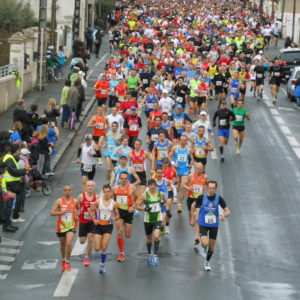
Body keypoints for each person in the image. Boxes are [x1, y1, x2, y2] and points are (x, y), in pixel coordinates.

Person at [191, 181, 230, 271]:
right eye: (210, 187)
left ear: (215, 189)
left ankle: (207, 262)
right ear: (207, 188)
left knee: (212, 247)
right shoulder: (201, 197)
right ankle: (204, 247)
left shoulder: (219, 198)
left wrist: (224, 215)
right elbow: (193, 205)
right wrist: (193, 217)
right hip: (203, 223)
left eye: (213, 188)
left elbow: (228, 211)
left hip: (214, 225)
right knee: (205, 243)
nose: (211, 189)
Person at [89, 184, 119, 273]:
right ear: (103, 192)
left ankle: (102, 265)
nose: (106, 193)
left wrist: (115, 218)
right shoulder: (98, 202)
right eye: (105, 192)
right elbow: (90, 210)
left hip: (108, 227)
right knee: (97, 248)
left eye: (108, 192)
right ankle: (101, 253)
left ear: (111, 192)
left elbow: (117, 214)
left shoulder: (114, 203)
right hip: (98, 226)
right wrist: (94, 219)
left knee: (104, 248)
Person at [136, 178, 167, 266]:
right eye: (151, 185)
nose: (153, 186)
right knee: (149, 240)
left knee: (156, 236)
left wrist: (164, 206)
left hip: (157, 218)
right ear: (148, 186)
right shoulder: (144, 195)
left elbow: (166, 201)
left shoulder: (161, 194)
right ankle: (149, 253)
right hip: (148, 220)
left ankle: (155, 255)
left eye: (154, 185)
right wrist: (144, 209)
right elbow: (137, 206)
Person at [1, 144, 32, 230]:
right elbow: (14, 172)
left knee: (9, 206)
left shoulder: (11, 157)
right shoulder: (9, 158)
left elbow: (16, 160)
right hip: (8, 185)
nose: (20, 152)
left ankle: (8, 224)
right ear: (17, 151)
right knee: (8, 206)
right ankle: (6, 226)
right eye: (19, 150)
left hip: (11, 184)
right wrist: (25, 169)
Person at [51, 184, 80, 271]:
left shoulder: (75, 201)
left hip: (71, 226)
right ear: (63, 191)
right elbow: (52, 212)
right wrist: (60, 213)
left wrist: (77, 215)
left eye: (69, 190)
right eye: (66, 190)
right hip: (61, 227)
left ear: (71, 191)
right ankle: (63, 260)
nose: (67, 192)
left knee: (68, 243)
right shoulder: (59, 201)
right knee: (63, 244)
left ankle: (67, 261)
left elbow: (78, 209)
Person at [112, 171, 137, 262]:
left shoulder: (132, 188)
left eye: (125, 178)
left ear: (128, 179)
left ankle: (127, 230)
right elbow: (109, 199)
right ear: (119, 179)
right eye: (122, 178)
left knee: (127, 235)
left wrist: (133, 207)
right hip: (119, 212)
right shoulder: (115, 189)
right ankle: (121, 253)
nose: (124, 180)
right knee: (119, 231)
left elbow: (138, 199)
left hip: (128, 212)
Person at [169, 134, 194, 213]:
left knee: (183, 186)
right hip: (176, 170)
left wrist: (191, 165)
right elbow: (169, 156)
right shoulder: (175, 148)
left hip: (185, 170)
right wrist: (173, 163)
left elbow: (192, 159)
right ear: (179, 140)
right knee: (177, 187)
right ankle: (175, 196)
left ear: (186, 141)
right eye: (182, 140)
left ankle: (179, 204)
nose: (183, 142)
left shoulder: (189, 149)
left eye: (185, 140)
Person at [184, 162, 207, 245]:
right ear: (195, 168)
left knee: (197, 218)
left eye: (201, 169)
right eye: (198, 169)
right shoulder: (190, 176)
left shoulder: (205, 177)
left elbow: (206, 185)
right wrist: (189, 188)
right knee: (191, 217)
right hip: (191, 198)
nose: (199, 171)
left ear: (203, 169)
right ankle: (191, 218)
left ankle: (196, 236)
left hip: (199, 200)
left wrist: (205, 193)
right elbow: (184, 184)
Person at [77, 180, 99, 266]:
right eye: (88, 186)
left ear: (94, 187)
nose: (90, 187)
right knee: (82, 241)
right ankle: (86, 250)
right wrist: (77, 212)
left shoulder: (97, 197)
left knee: (90, 239)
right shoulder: (81, 197)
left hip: (92, 221)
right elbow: (76, 205)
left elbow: (100, 208)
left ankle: (86, 257)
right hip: (83, 221)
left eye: (92, 186)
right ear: (86, 187)